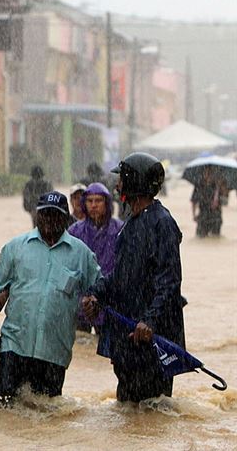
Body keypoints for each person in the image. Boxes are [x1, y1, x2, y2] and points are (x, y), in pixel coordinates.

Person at [0, 191, 101, 405]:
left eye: (55, 215)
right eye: (45, 214)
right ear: (37, 216)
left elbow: (99, 290)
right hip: (14, 345)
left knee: (48, 412)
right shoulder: (15, 248)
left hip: (54, 352)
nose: (49, 220)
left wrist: (93, 304)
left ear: (65, 218)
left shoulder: (82, 255)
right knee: (5, 406)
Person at [83, 152, 185, 403]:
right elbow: (120, 275)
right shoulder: (131, 222)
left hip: (152, 339)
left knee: (153, 410)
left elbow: (170, 281)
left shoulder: (162, 223)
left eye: (121, 180)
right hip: (128, 336)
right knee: (128, 410)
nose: (117, 186)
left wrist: (149, 320)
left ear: (134, 182)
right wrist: (97, 293)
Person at [68, 183, 124, 333]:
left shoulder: (120, 230)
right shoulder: (74, 231)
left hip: (109, 301)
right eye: (90, 201)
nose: (94, 205)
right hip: (81, 302)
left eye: (98, 201)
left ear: (107, 203)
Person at [191, 166, 224, 238]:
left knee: (215, 237)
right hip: (203, 215)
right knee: (200, 237)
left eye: (210, 173)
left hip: (216, 216)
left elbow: (225, 197)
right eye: (207, 172)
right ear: (203, 173)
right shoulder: (199, 185)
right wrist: (194, 215)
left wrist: (218, 189)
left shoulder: (217, 185)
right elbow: (194, 201)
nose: (208, 175)